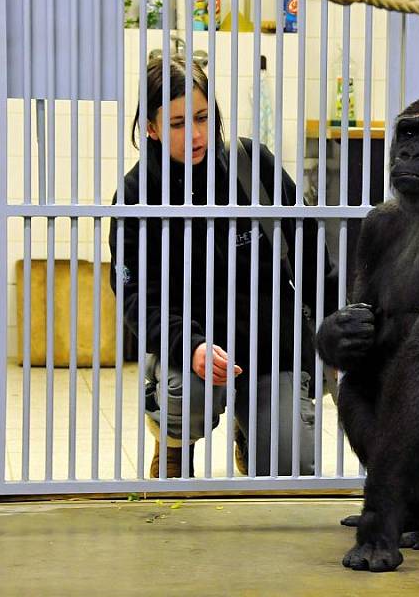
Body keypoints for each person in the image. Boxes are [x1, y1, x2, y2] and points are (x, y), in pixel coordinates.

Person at [109, 55, 338, 478]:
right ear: (152, 128)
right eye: (177, 123)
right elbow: (136, 293)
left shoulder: (253, 166)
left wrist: (334, 325)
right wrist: (190, 345)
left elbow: (309, 251)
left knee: (289, 467)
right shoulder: (138, 192)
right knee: (187, 395)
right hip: (193, 347)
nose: (195, 134)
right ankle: (172, 442)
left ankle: (251, 433)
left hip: (271, 343)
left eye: (201, 117)